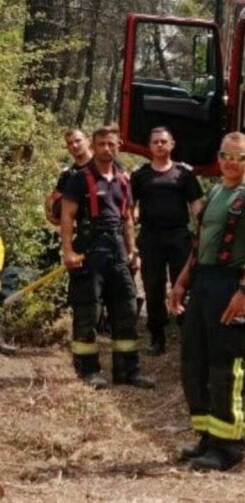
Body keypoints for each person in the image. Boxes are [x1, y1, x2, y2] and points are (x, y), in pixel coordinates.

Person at [168, 132, 245, 472]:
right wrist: (182, 282)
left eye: (239, 157)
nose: (232, 163)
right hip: (204, 282)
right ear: (219, 158)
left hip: (232, 284)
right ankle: (207, 437)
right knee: (194, 366)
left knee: (226, 368)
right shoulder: (215, 191)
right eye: (227, 156)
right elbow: (200, 245)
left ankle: (228, 446)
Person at [59, 125, 155, 390]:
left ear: (119, 145)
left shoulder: (123, 178)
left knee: (126, 308)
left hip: (117, 250)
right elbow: (66, 217)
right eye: (101, 144)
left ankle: (128, 371)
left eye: (111, 144)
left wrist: (132, 251)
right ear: (94, 145)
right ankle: (88, 371)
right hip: (89, 250)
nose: (106, 149)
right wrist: (68, 251)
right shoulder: (79, 179)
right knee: (88, 311)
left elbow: (127, 219)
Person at [130, 126, 205, 355]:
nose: (160, 145)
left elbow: (197, 209)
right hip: (151, 237)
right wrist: (130, 241)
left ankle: (187, 335)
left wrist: (201, 239)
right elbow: (129, 210)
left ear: (172, 144)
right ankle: (157, 336)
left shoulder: (184, 174)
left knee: (184, 286)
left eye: (164, 141)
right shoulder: (140, 175)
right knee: (153, 287)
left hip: (179, 237)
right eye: (155, 142)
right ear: (149, 146)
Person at [45, 128, 93, 227]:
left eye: (78, 141)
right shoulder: (68, 175)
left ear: (88, 141)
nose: (74, 146)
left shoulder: (105, 165)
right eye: (70, 143)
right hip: (85, 231)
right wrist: (50, 211)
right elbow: (53, 199)